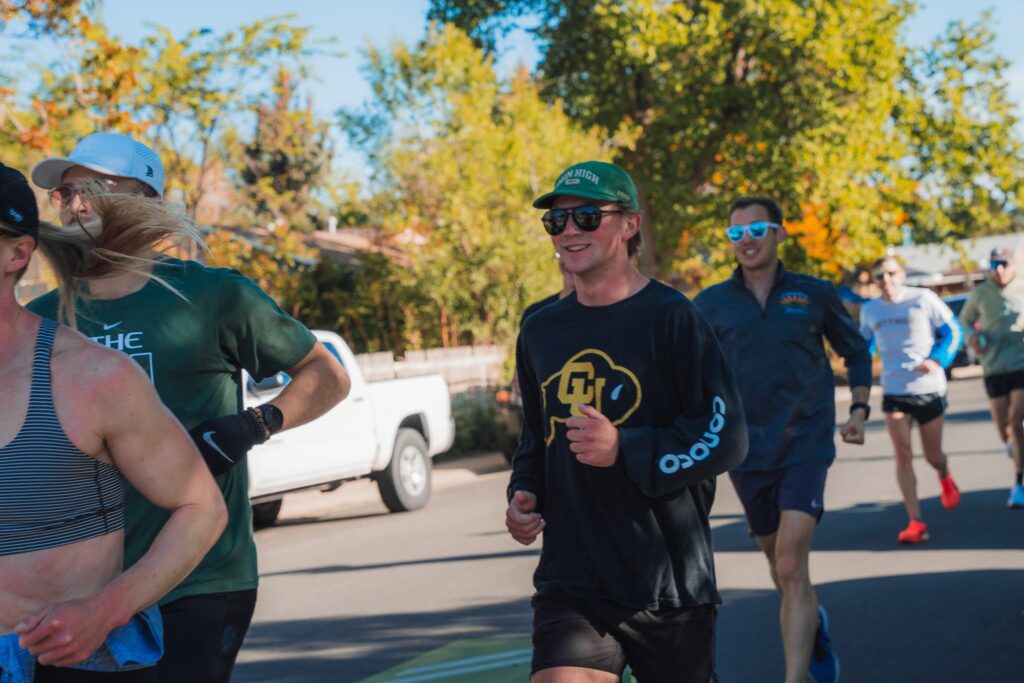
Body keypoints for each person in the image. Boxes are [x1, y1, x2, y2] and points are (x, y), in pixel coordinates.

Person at [27, 133, 351, 682]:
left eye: (94, 188)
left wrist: (253, 424)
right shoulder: (37, 319)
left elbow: (327, 376)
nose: (75, 202)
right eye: (64, 193)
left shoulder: (210, 296)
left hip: (200, 579)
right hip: (81, 587)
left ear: (146, 199)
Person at [506, 160, 748, 682]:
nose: (570, 231)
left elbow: (726, 436)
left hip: (667, 581)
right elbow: (537, 436)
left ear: (629, 225)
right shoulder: (540, 330)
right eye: (558, 221)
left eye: (588, 217)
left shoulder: (672, 316)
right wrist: (525, 491)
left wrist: (627, 448)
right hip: (573, 580)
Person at [0, 162, 227, 681]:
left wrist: (105, 610)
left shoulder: (91, 378)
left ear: (16, 254)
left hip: (68, 664)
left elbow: (201, 507)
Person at [694, 197, 872, 683]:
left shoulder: (813, 294)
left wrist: (858, 410)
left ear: (779, 233)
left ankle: (795, 678)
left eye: (756, 230)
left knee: (792, 563)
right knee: (781, 568)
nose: (746, 240)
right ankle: (812, 623)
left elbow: (855, 351)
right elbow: (684, 368)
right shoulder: (709, 304)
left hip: (806, 444)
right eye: (736, 234)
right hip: (745, 451)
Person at [858, 257, 963, 543]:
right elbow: (863, 346)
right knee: (902, 454)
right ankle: (915, 521)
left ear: (902, 275)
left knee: (932, 455)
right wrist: (859, 368)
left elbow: (953, 332)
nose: (886, 280)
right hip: (894, 391)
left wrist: (937, 360)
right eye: (880, 275)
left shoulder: (923, 298)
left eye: (891, 273)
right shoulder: (870, 310)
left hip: (927, 388)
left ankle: (943, 473)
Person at [958, 246, 1024, 508]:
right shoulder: (980, 293)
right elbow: (964, 320)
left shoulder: (1021, 287)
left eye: (1004, 264)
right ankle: (1011, 445)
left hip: (1021, 364)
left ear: (1013, 265)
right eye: (995, 264)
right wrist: (972, 338)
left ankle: (1018, 483)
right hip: (994, 366)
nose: (999, 270)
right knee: (1003, 427)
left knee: (1017, 421)